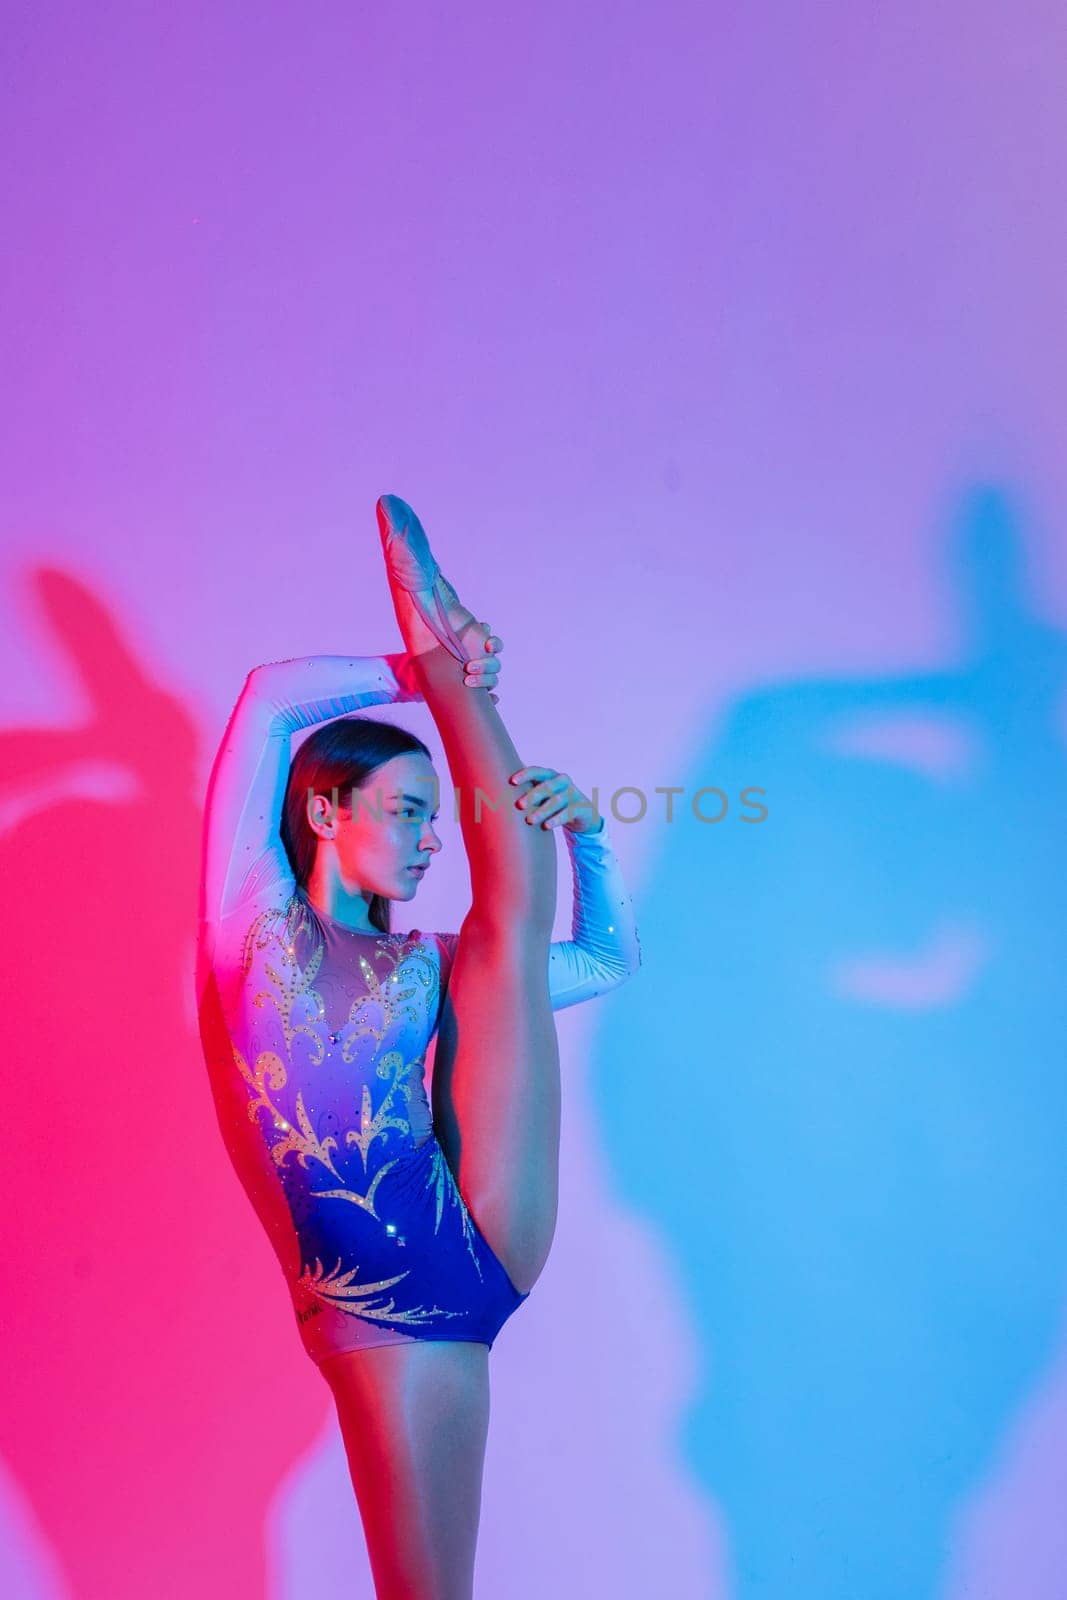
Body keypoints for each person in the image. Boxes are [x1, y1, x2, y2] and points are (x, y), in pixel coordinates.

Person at [196, 495, 642, 1597]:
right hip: (374, 1307)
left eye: (435, 815)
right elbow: (266, 702)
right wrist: (412, 665)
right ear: (324, 810)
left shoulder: (427, 965)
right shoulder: (247, 920)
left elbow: (602, 962)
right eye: (403, 808)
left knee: (507, 919)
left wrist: (586, 835)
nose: (429, 835)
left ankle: (463, 674)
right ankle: (450, 659)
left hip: (474, 1229)